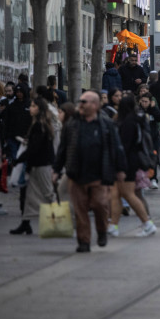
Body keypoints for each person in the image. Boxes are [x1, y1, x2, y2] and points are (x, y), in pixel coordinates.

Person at [53, 91, 128, 253]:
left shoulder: (106, 124)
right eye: (80, 101)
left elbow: (117, 147)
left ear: (94, 105)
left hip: (99, 174)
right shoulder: (72, 124)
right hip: (77, 174)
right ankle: (84, 242)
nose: (80, 104)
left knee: (100, 204)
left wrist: (121, 169)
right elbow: (63, 148)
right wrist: (56, 169)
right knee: (80, 210)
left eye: (84, 102)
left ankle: (102, 230)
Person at [108, 94, 157, 237]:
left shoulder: (128, 122)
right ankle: (113, 225)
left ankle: (147, 223)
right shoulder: (136, 120)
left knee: (128, 194)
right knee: (116, 194)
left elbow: (125, 145)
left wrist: (120, 165)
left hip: (127, 163)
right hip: (130, 161)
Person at [9, 96, 58, 236]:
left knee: (48, 193)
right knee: (29, 195)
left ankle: (59, 222)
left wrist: (19, 159)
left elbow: (34, 148)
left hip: (41, 165)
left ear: (39, 109)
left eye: (33, 106)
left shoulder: (39, 126)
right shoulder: (41, 125)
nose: (30, 108)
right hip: (38, 164)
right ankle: (25, 223)